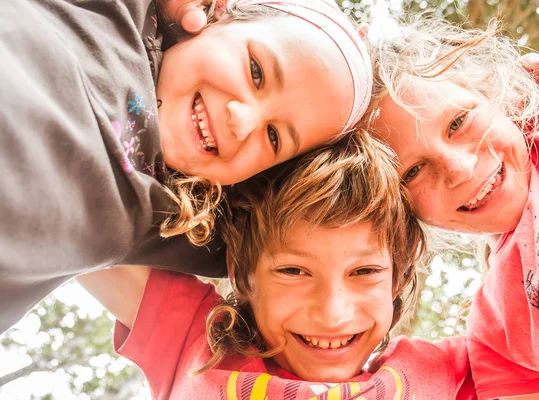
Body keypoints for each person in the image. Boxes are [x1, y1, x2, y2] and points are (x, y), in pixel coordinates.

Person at [0, 0, 371, 333]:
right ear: (219, 13)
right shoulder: (117, 10)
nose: (242, 122)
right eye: (256, 72)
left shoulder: (179, 220)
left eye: (273, 137)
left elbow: (333, 226)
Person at [77, 129, 475, 400]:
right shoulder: (198, 344)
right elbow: (72, 214)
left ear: (396, 280)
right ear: (241, 273)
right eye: (293, 271)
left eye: (365, 272)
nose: (332, 314)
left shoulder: (450, 371)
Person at [366, 14, 539, 400]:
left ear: (496, 93)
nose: (459, 168)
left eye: (458, 122)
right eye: (413, 172)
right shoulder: (498, 336)